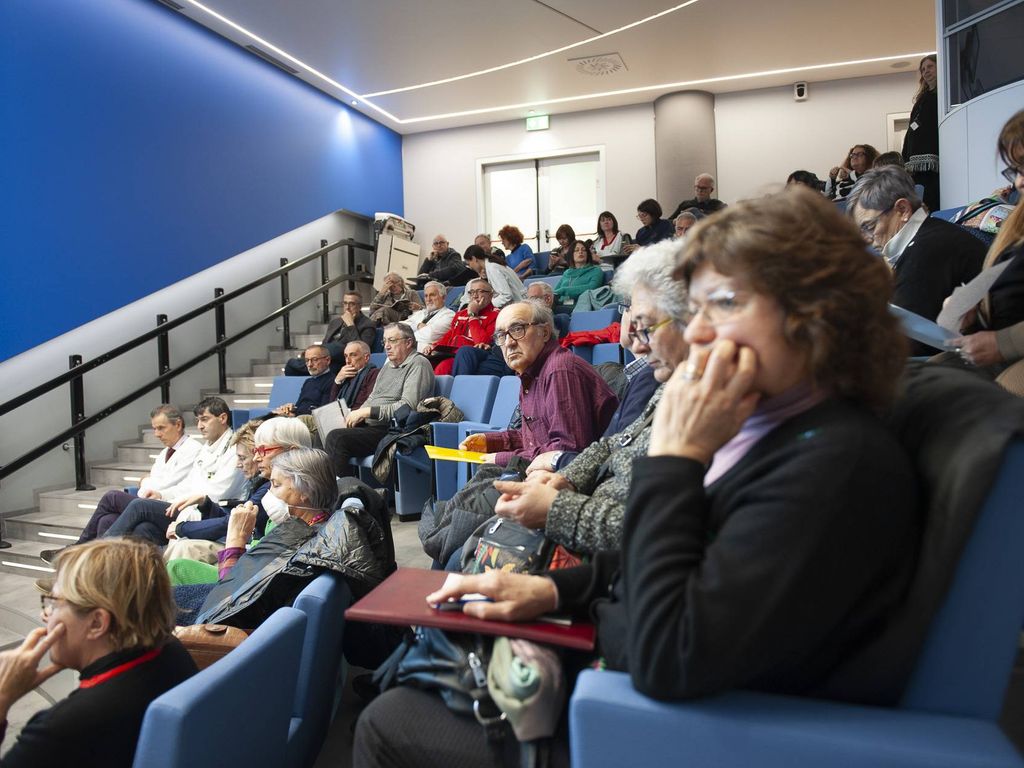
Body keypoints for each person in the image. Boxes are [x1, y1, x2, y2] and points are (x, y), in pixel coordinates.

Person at [355, 187, 921, 768]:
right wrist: (555, 593)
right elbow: (681, 558)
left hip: (660, 724)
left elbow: (668, 653)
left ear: (815, 314)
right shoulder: (770, 427)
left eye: (724, 304)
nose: (697, 333)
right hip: (622, 662)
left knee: (387, 723)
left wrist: (675, 460)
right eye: (696, 309)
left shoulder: (836, 463)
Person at [471, 242, 682, 557]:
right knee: (465, 527)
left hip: (595, 531)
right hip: (585, 513)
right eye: (501, 336)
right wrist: (500, 444)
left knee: (470, 535)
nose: (632, 343)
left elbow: (656, 528)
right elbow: (611, 445)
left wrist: (558, 501)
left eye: (646, 326)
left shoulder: (561, 371)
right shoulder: (664, 384)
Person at [0, 540, 196, 767]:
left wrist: (3, 696)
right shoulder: (171, 650)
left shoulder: (61, 729)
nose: (45, 616)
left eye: (54, 604)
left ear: (97, 623)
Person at [181, 448, 392, 630]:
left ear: (305, 491)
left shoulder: (302, 548)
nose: (269, 493)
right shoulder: (321, 530)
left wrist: (235, 541)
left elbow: (228, 606)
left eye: (276, 484)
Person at [459, 301, 618, 468]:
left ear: (545, 332)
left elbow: (566, 452)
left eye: (517, 329)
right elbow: (536, 439)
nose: (508, 343)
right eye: (501, 335)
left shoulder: (559, 370)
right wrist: (491, 441)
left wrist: (501, 458)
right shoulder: (531, 373)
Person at [847, 166, 984, 355]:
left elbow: (908, 345)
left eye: (869, 226)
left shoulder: (925, 251)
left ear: (902, 210)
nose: (866, 239)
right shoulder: (932, 233)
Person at [41, 404, 200, 563]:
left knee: (112, 497)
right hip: (155, 504)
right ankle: (99, 570)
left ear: (178, 424)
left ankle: (80, 552)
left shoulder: (193, 450)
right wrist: (147, 483)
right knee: (107, 520)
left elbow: (164, 484)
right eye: (154, 429)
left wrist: (148, 483)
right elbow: (152, 483)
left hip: (175, 508)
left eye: (161, 428)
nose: (157, 434)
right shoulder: (165, 452)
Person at [165, 417, 313, 586]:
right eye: (255, 451)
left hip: (244, 582)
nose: (256, 458)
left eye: (263, 450)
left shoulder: (289, 506)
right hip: (247, 568)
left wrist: (235, 542)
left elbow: (230, 589)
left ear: (292, 452)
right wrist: (206, 504)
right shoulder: (282, 499)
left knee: (176, 566)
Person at [88, 398, 246, 548]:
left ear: (223, 418)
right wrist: (162, 494)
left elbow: (217, 493)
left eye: (205, 419)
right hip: (186, 506)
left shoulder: (235, 451)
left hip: (211, 513)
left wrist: (157, 489)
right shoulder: (207, 448)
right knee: (137, 527)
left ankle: (95, 554)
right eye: (198, 420)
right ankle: (107, 563)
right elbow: (188, 484)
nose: (200, 426)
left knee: (134, 504)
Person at [937, 110, 1024, 378]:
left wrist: (1002, 344)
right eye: (1016, 170)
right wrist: (973, 316)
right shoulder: (1016, 224)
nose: (1019, 182)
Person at [324, 323, 435, 477]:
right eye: (385, 341)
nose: (387, 346)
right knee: (325, 432)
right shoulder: (387, 367)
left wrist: (366, 412)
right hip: (372, 426)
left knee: (337, 438)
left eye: (392, 340)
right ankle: (323, 486)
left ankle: (342, 489)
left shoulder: (419, 364)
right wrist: (355, 415)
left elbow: (407, 407)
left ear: (408, 342)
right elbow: (372, 398)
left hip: (393, 429)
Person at [284, 291, 376, 376]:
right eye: (345, 303)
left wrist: (350, 325)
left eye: (352, 304)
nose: (347, 307)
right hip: (325, 358)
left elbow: (361, 349)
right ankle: (312, 360)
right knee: (290, 367)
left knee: (336, 348)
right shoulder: (335, 322)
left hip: (341, 360)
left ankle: (311, 360)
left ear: (359, 306)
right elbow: (325, 343)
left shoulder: (367, 324)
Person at [422, 276, 500, 375]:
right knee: (424, 363)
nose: (475, 296)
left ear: (491, 295)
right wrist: (434, 346)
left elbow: (482, 344)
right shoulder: (461, 314)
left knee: (443, 367)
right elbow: (451, 334)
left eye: (480, 291)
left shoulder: (497, 315)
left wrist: (473, 315)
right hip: (451, 353)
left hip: (471, 356)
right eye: (471, 292)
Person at [902, 55, 940, 211]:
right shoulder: (921, 99)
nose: (926, 72)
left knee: (932, 197)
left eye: (930, 67)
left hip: (932, 162)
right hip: (915, 165)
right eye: (923, 69)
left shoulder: (942, 95)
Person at [273, 344, 336, 416]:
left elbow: (323, 412)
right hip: (298, 418)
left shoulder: (333, 381)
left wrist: (294, 415)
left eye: (314, 360)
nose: (309, 364)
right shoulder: (308, 382)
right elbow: (300, 407)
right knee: (272, 415)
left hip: (310, 420)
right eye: (307, 360)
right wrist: (292, 408)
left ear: (327, 360)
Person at [461, 244, 525, 309]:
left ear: (474, 259)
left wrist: (485, 305)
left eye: (469, 264)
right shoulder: (492, 266)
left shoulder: (493, 268)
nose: (470, 267)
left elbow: (506, 295)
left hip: (519, 306)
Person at [552, 240, 604, 314]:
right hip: (560, 305)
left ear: (587, 254)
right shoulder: (567, 272)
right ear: (571, 255)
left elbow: (592, 288)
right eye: (576, 250)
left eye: (583, 250)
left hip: (579, 308)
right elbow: (555, 292)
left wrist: (565, 290)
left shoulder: (596, 270)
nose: (580, 252)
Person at [405, 281, 455, 353]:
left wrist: (404, 336)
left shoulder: (450, 315)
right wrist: (417, 326)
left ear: (443, 298)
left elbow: (430, 335)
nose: (428, 299)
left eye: (432, 295)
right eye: (426, 296)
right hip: (409, 350)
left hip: (425, 354)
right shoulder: (421, 313)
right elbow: (400, 326)